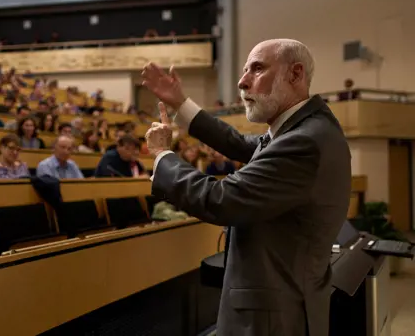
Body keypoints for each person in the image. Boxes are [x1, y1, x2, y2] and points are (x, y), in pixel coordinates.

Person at [142, 39, 351, 336]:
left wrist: (162, 156)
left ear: (295, 74)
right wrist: (180, 103)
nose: (242, 81)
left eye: (257, 69)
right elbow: (238, 143)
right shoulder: (304, 128)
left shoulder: (303, 141)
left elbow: (221, 200)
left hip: (273, 315)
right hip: (281, 300)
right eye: (244, 71)